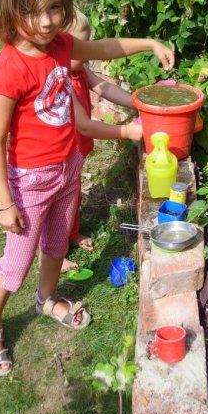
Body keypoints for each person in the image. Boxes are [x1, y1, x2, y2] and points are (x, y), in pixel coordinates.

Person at [0, 0, 174, 377]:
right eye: (31, 10)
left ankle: (46, 298)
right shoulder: (8, 68)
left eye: (53, 7)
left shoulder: (62, 45)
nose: (46, 21)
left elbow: (104, 47)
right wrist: (4, 203)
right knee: (15, 262)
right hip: (29, 182)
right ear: (9, 12)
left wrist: (150, 43)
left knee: (55, 245)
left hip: (67, 169)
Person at [61, 59, 142, 269]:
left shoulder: (79, 69)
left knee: (73, 193)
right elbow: (86, 127)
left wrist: (137, 102)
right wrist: (125, 131)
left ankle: (72, 233)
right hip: (60, 153)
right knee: (57, 203)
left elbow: (103, 87)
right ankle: (52, 256)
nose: (87, 55)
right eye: (81, 48)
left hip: (74, 151)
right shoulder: (57, 78)